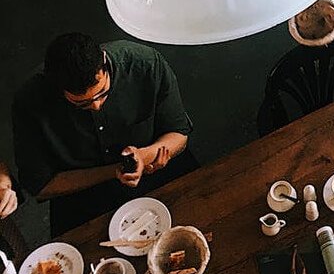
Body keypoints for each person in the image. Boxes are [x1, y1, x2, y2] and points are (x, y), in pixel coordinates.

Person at [12, 32, 196, 237]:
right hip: (84, 196)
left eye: (102, 93)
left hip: (156, 172)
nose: (97, 106)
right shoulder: (30, 102)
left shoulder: (144, 63)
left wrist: (146, 155)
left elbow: (179, 133)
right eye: (82, 104)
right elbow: (41, 185)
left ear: (105, 63)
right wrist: (116, 170)